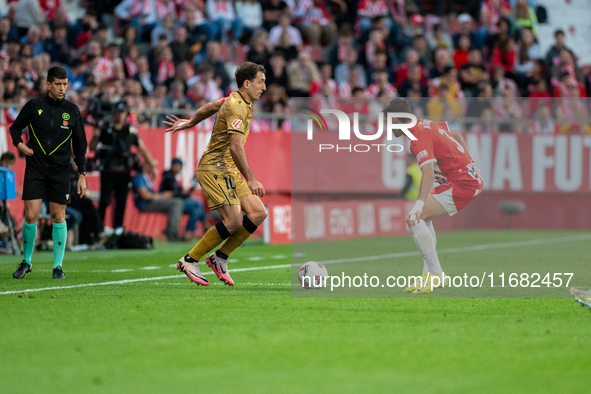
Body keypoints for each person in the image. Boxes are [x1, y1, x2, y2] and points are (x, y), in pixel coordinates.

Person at [163, 62, 268, 287]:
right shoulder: (237, 106)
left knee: (258, 212)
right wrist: (251, 178)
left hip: (227, 168)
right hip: (215, 167)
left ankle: (219, 257)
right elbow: (235, 147)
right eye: (261, 82)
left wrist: (191, 121)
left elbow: (212, 105)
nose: (264, 87)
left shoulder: (236, 100)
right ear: (247, 83)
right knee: (234, 221)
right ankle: (189, 260)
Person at [383, 97, 483, 294]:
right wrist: (468, 164)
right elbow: (456, 134)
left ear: (394, 120)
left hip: (463, 183)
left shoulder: (416, 139)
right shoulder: (425, 124)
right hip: (465, 179)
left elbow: (427, 173)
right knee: (423, 219)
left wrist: (418, 205)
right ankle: (428, 274)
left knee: (416, 217)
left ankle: (437, 274)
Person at [9, 66, 87, 279]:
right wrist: (20, 145)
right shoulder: (34, 106)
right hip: (35, 166)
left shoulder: (72, 111)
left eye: (65, 84)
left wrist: (82, 174)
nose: (62, 88)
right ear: (48, 84)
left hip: (61, 170)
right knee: (31, 214)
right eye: (58, 84)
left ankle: (58, 266)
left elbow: (80, 144)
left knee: (58, 215)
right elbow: (14, 128)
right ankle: (26, 261)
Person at [89, 101, 156, 234]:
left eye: (122, 113)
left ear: (126, 114)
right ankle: (99, 228)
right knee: (105, 201)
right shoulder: (105, 129)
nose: (120, 116)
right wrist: (96, 134)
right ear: (114, 114)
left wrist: (152, 164)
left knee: (121, 202)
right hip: (108, 170)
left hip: (124, 171)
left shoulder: (129, 131)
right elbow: (92, 147)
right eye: (118, 113)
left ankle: (118, 229)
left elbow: (141, 148)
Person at [131, 164, 185, 242]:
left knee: (177, 203)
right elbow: (145, 196)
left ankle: (171, 231)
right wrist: (162, 196)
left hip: (150, 202)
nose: (154, 169)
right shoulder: (139, 176)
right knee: (176, 203)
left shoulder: (147, 177)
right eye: (153, 166)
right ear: (146, 166)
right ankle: (172, 233)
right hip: (145, 204)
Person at [160, 158, 210, 237]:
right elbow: (174, 194)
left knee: (195, 209)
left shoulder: (172, 177)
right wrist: (187, 195)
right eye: (177, 166)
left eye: (180, 166)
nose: (179, 168)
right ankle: (201, 225)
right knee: (196, 203)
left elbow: (178, 194)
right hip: (171, 203)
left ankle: (189, 232)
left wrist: (189, 191)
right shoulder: (168, 177)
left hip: (177, 202)